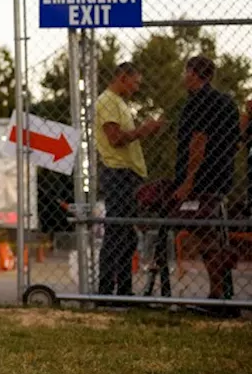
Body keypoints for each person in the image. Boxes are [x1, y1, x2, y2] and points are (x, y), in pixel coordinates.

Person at [173, 56, 241, 307]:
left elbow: (198, 142)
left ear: (193, 73)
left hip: (202, 180)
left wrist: (188, 181)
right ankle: (223, 292)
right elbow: (236, 140)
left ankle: (217, 294)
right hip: (222, 176)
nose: (184, 77)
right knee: (214, 235)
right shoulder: (227, 102)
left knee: (206, 237)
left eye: (186, 72)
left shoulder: (197, 103)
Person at [94, 62, 164, 297]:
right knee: (117, 232)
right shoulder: (108, 102)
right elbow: (114, 139)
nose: (136, 88)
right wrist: (144, 130)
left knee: (125, 235)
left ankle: (122, 290)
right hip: (118, 172)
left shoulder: (119, 103)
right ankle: (106, 291)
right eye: (135, 82)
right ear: (123, 77)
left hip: (127, 173)